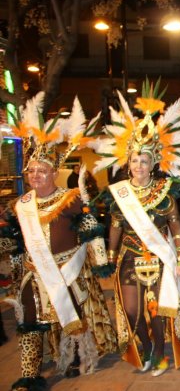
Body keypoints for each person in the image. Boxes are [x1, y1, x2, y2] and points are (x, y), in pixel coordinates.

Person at [94, 81, 180, 376]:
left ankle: (159, 353)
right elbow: (114, 226)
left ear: (153, 164)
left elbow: (177, 226)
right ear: (127, 163)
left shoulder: (165, 190)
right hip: (128, 258)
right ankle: (145, 346)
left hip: (159, 258)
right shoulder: (119, 193)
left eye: (144, 160)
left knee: (157, 309)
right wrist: (110, 258)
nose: (138, 165)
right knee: (130, 310)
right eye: (134, 160)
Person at [0, 93, 117, 391]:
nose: (35, 175)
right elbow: (13, 241)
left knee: (72, 316)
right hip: (32, 272)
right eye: (31, 171)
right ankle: (30, 373)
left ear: (54, 172)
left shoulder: (70, 199)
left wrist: (102, 263)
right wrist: (13, 269)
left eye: (42, 170)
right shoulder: (20, 204)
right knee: (29, 322)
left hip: (69, 269)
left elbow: (91, 230)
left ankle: (76, 357)